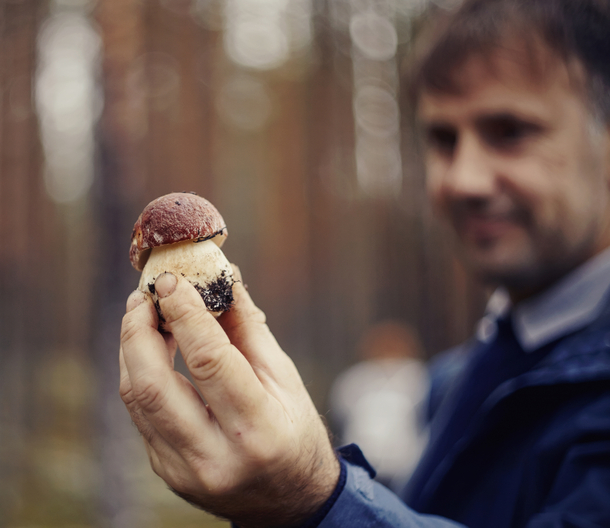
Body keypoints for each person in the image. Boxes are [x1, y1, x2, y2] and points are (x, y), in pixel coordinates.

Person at [118, 0, 610, 526]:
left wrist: (311, 499)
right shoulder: (450, 383)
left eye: (510, 131)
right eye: (443, 139)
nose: (464, 179)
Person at [328, 321, 428, 492]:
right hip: (364, 465)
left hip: (404, 466)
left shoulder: (417, 376)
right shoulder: (355, 378)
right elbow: (341, 414)